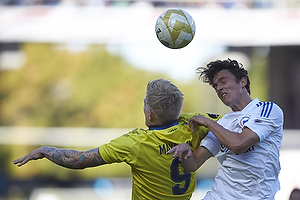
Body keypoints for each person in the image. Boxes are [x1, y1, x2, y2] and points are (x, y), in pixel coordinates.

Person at [14, 78, 221, 200]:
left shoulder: (136, 143)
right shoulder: (194, 124)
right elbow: (234, 122)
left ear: (150, 115)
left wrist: (44, 151)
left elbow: (79, 160)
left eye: (145, 104)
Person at [167, 59, 284, 200]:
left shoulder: (267, 109)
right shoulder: (223, 123)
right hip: (217, 196)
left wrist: (208, 122)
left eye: (223, 82)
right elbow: (193, 164)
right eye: (215, 85)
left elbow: (238, 144)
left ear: (242, 82)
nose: (218, 88)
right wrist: (186, 153)